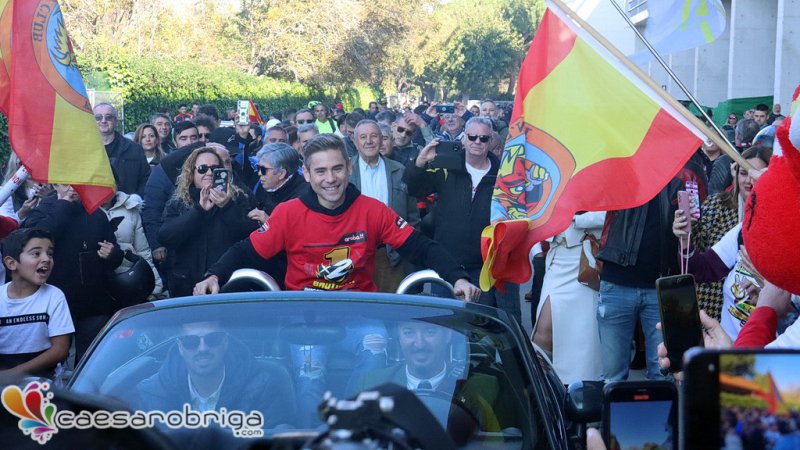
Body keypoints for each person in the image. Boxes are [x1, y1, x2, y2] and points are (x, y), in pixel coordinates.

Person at [193, 134, 480, 300]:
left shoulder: (372, 210)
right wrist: (214, 275)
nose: (330, 179)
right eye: (320, 171)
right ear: (307, 174)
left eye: (337, 169)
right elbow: (245, 250)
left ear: (349, 168)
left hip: (361, 317)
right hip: (306, 319)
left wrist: (457, 278)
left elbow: (421, 246)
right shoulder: (289, 213)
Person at [596, 151, 707, 381]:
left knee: (664, 374)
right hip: (617, 281)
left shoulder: (687, 172)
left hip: (665, 286)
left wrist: (688, 225)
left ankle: (662, 408)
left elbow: (699, 227)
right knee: (613, 376)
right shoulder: (623, 163)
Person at [404, 117, 520, 323]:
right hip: (446, 265)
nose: (477, 142)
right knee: (445, 326)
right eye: (472, 137)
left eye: (483, 138)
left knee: (477, 327)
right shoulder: (447, 167)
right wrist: (420, 162)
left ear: (491, 141)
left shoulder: (503, 174)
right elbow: (413, 189)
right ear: (464, 138)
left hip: (483, 268)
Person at [23, 184, 123, 362]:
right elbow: (34, 240)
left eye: (77, 183)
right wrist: (63, 206)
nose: (72, 188)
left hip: (92, 303)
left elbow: (114, 253)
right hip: (52, 303)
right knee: (52, 360)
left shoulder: (96, 214)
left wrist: (112, 253)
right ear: (55, 185)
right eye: (65, 183)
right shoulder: (43, 210)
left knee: (91, 359)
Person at [137, 320, 295, 428]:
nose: (202, 348)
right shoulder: (152, 392)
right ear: (180, 347)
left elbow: (278, 441)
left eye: (212, 339)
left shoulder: (263, 389)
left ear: (225, 342)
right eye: (191, 342)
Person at [678, 146, 771, 321]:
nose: (749, 181)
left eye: (757, 175)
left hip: (764, 330)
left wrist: (767, 286)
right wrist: (685, 236)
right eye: (743, 173)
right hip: (716, 308)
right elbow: (700, 267)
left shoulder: (787, 230)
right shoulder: (739, 225)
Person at [159, 147, 257, 297]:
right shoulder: (179, 201)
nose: (209, 173)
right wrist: (198, 211)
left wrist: (227, 206)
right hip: (186, 283)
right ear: (192, 173)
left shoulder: (238, 197)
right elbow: (166, 237)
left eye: (215, 169)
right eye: (202, 169)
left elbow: (250, 235)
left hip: (227, 282)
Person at [532, 212, 605, 384]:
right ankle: (544, 389)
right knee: (543, 333)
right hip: (557, 257)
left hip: (585, 258)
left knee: (583, 336)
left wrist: (574, 218)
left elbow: (610, 214)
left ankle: (580, 389)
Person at [349, 120, 420, 292]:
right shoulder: (345, 171)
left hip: (391, 255)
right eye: (363, 137)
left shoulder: (399, 170)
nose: (369, 141)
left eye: (374, 136)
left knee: (391, 305)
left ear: (382, 139)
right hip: (353, 256)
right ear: (355, 141)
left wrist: (405, 250)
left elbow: (412, 216)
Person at [0, 228, 73, 377]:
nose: (46, 259)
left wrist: (15, 373)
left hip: (44, 385)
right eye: (36, 253)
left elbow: (60, 350)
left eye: (50, 253)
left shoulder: (54, 297)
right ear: (11, 263)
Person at [102, 191, 163, 298]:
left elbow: (143, 251)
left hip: (130, 281)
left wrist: (155, 285)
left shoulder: (130, 209)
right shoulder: (85, 211)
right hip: (101, 286)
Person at [94, 103, 150, 196]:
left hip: (127, 203)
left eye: (108, 117)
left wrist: (135, 199)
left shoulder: (134, 149)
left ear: (115, 121)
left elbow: (145, 179)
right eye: (98, 117)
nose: (103, 121)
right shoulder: (84, 149)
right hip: (92, 203)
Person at [251, 143, 308, 219]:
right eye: (258, 167)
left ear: (281, 174)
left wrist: (269, 222)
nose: (259, 173)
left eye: (263, 169)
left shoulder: (302, 199)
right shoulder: (263, 185)